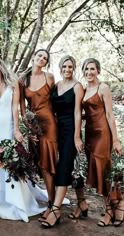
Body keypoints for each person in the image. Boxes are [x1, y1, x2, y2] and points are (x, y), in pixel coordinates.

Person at [0, 53, 48, 223]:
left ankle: (17, 203)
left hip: (8, 126)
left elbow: (15, 107)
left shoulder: (13, 81)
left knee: (11, 161)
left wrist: (17, 129)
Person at [69, 58, 123, 227]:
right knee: (101, 171)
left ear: (98, 71)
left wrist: (115, 140)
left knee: (102, 170)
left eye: (92, 69)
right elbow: (85, 113)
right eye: (86, 69)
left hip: (103, 135)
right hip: (90, 135)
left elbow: (109, 115)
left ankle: (108, 210)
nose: (89, 72)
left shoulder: (103, 88)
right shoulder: (84, 90)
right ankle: (115, 204)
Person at [41, 55, 84, 228]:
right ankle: (82, 203)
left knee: (64, 166)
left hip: (71, 130)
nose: (67, 70)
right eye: (64, 67)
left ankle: (56, 210)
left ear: (74, 69)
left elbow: (77, 113)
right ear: (60, 68)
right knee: (68, 166)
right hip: (55, 129)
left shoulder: (77, 86)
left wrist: (76, 137)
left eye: (70, 67)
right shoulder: (57, 85)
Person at [19, 49, 57, 221]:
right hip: (33, 126)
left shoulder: (49, 77)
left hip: (49, 124)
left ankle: (52, 204)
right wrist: (27, 127)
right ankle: (51, 199)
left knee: (47, 164)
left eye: (45, 58)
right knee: (39, 164)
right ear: (33, 57)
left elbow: (57, 101)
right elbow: (21, 106)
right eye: (40, 56)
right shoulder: (22, 79)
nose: (42, 59)